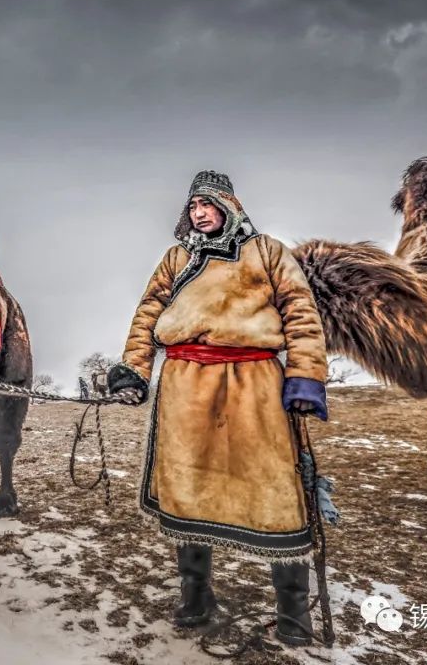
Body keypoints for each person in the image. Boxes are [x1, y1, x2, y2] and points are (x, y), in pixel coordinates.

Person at [107, 169, 329, 646]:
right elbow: (148, 313)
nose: (199, 213)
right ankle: (196, 596)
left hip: (256, 384)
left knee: (276, 490)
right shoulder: (176, 257)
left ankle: (293, 613)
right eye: (193, 207)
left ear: (230, 206)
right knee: (189, 484)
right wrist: (134, 370)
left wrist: (306, 374)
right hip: (185, 385)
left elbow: (300, 309)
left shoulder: (267, 251)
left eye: (207, 205)